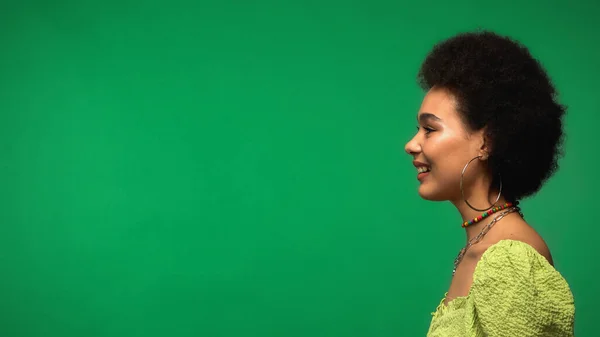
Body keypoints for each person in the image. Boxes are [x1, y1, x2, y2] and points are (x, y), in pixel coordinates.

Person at [404, 30, 575, 336]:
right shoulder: (480, 247)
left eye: (430, 129)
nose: (411, 144)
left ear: (487, 141)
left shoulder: (511, 260)